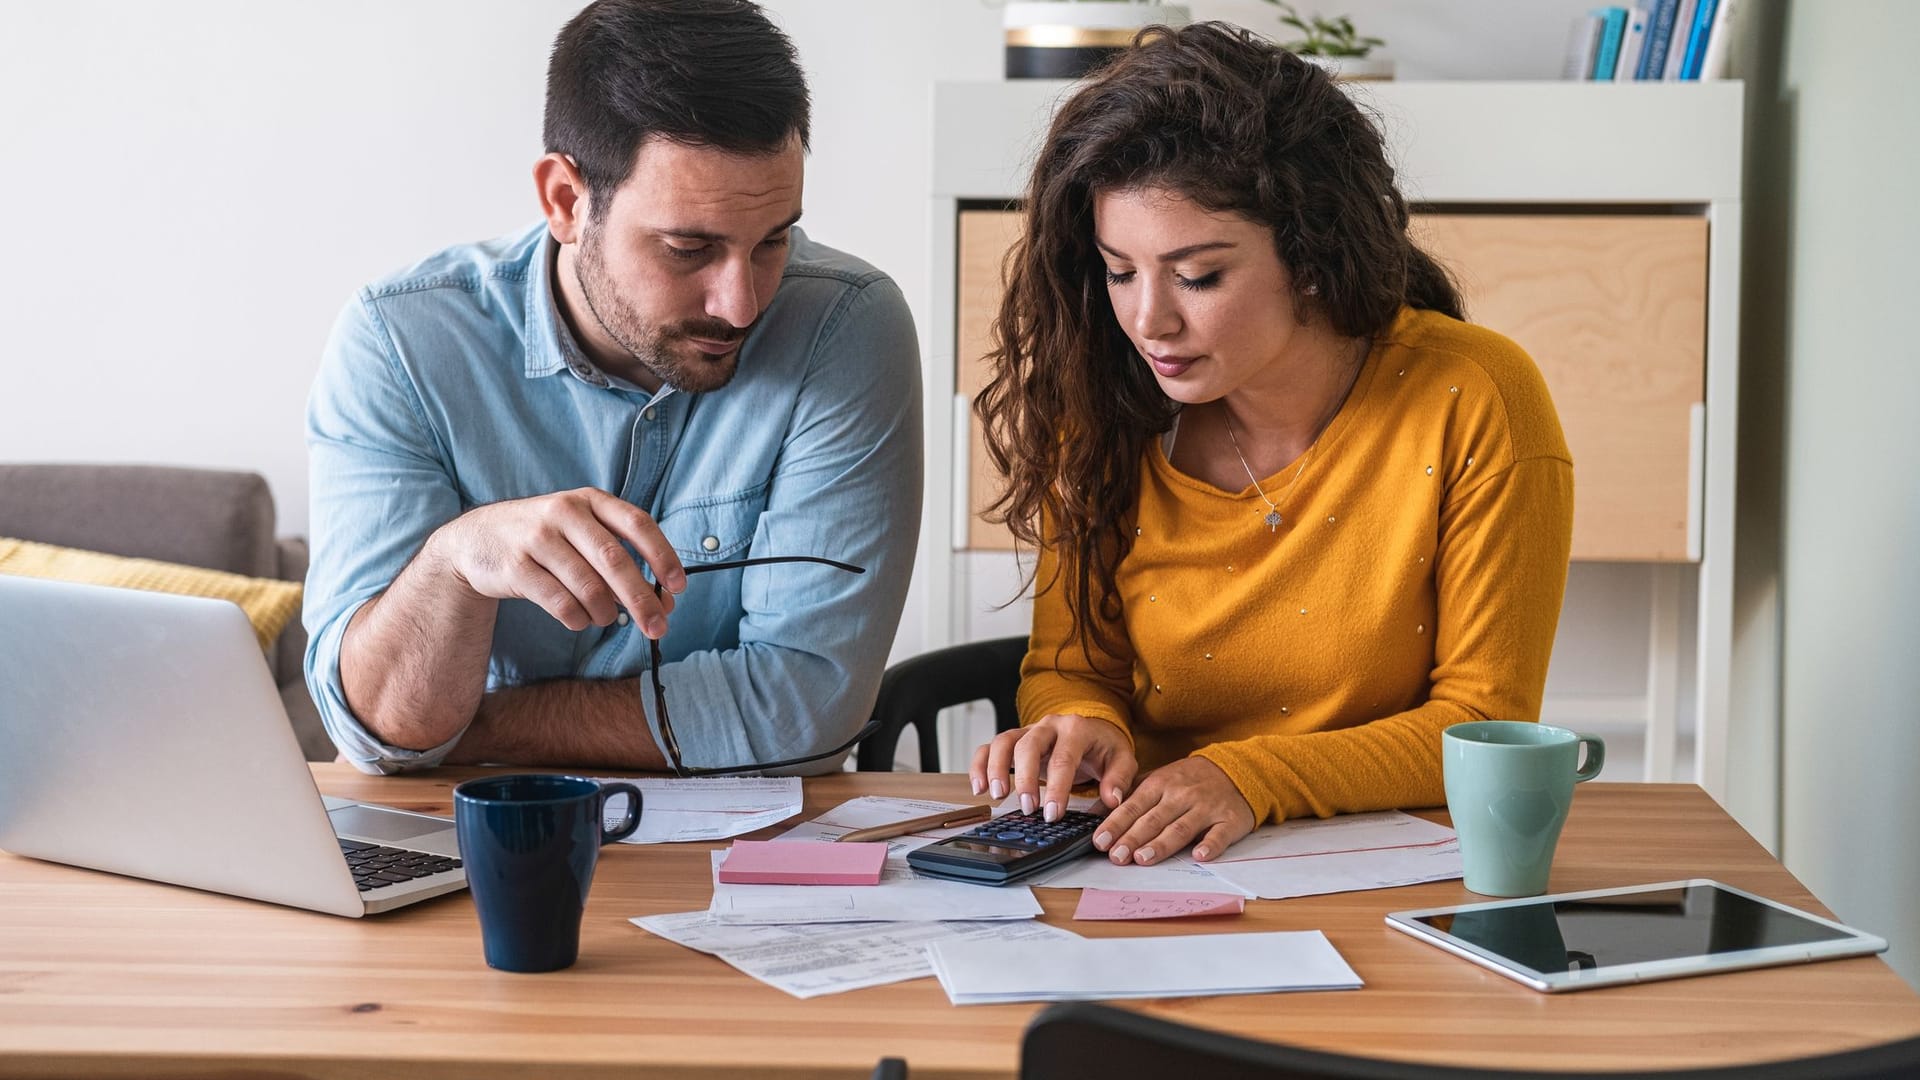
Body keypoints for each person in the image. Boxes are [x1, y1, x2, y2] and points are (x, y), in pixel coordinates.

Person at [968, 23, 1573, 867]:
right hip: (1145, 862)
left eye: (1198, 276)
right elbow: (1072, 667)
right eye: (1119, 270)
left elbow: (1479, 722)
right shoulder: (1103, 405)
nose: (1149, 320)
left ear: (1312, 254)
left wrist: (1249, 778)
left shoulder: (1475, 398)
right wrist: (1084, 726)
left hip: (1378, 874)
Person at [303, 0, 921, 776]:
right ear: (566, 200)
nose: (742, 304)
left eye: (773, 240)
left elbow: (805, 710)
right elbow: (378, 726)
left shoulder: (845, 326)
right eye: (688, 248)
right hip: (470, 849)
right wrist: (454, 563)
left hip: (740, 865)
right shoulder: (400, 345)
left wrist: (470, 730)